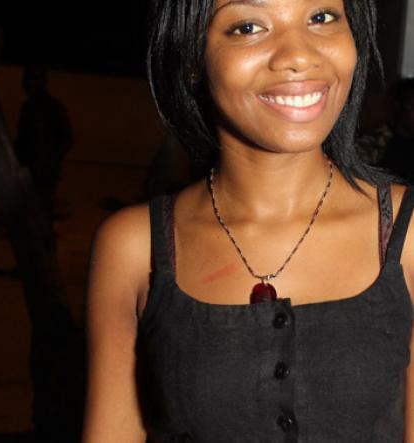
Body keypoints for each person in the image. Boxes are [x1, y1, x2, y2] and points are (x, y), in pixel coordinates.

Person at [83, 0, 414, 441]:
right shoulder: (133, 246)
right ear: (193, 59)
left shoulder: (406, 236)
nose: (298, 55)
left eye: (321, 17)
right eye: (248, 26)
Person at [14, 66, 73, 232]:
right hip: (31, 171)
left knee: (42, 212)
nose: (28, 85)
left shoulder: (52, 108)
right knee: (31, 213)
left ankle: (45, 244)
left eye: (32, 80)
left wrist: (51, 159)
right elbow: (22, 139)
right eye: (27, 80)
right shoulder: (28, 108)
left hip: (44, 172)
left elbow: (66, 139)